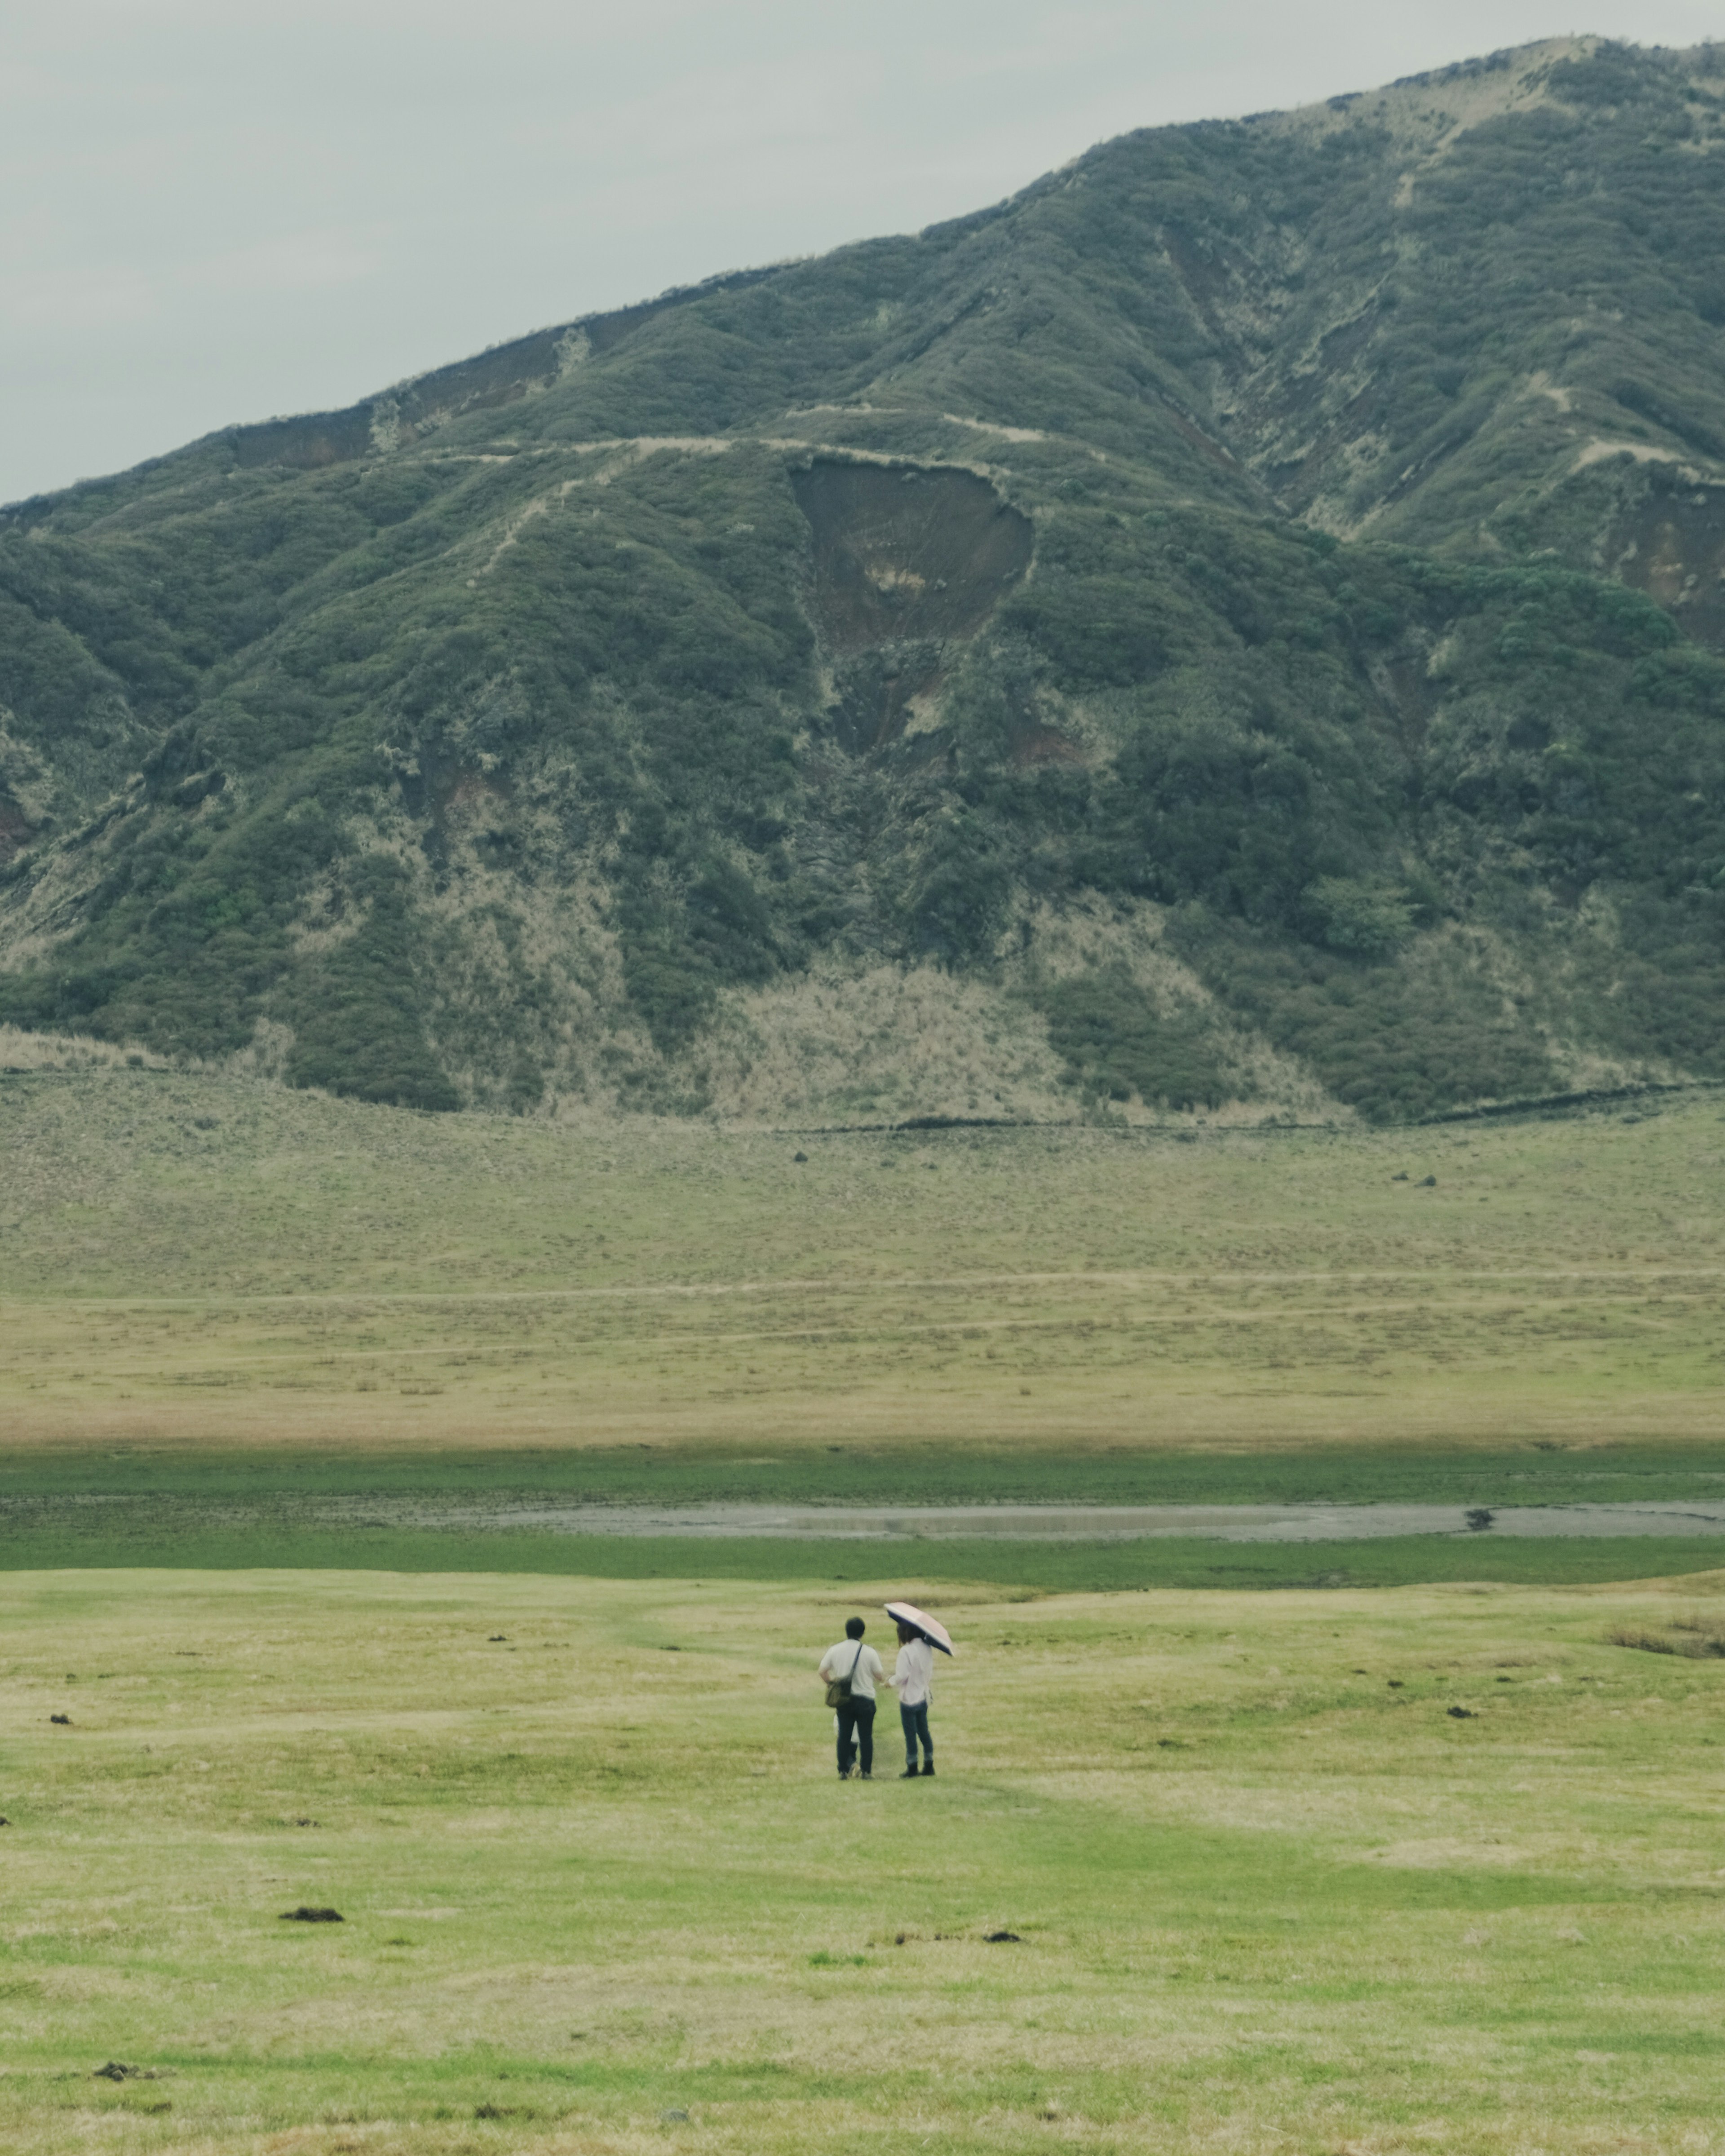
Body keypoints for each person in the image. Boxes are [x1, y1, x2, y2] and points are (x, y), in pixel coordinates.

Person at [817, 1617, 884, 1780]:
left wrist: (832, 1683)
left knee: (844, 1737)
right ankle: (867, 1771)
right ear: (863, 1632)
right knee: (866, 1737)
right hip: (865, 1699)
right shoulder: (869, 1652)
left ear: (847, 1631)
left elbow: (822, 1671)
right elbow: (879, 1676)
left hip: (845, 1700)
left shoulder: (835, 1650)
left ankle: (843, 1771)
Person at [889, 1619, 935, 1778]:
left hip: (909, 1697)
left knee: (910, 1734)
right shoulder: (927, 1648)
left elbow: (902, 1676)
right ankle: (929, 1764)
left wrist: (890, 1682)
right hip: (923, 1695)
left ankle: (912, 1765)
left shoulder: (906, 1651)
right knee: (924, 1732)